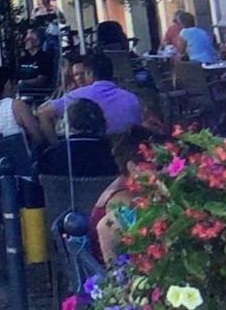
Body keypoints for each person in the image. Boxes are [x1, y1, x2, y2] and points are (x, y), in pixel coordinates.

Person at [35, 54, 141, 144]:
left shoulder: (77, 96)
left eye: (84, 73)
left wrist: (55, 146)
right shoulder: (132, 98)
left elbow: (43, 112)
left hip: (91, 156)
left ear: (90, 73)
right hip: (126, 156)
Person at [92, 127, 159, 265]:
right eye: (156, 167)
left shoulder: (128, 186)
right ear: (133, 168)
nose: (164, 172)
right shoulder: (122, 199)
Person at [37, 98, 118, 176]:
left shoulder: (51, 156)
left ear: (68, 123)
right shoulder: (114, 155)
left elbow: (36, 183)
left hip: (60, 190)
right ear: (101, 122)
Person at [0, 66, 45, 146]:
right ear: (9, 83)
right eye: (15, 83)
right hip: (19, 156)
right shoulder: (17, 105)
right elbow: (38, 137)